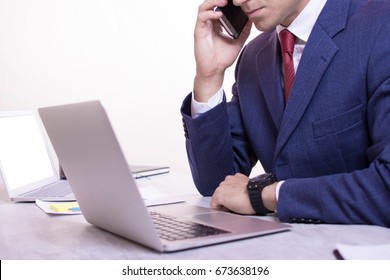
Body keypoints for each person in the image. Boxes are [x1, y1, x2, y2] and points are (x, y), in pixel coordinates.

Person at [180, 0, 390, 227]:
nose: (239, 1)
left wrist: (265, 196)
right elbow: (217, 187)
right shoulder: (254, 57)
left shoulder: (381, 24)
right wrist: (209, 76)